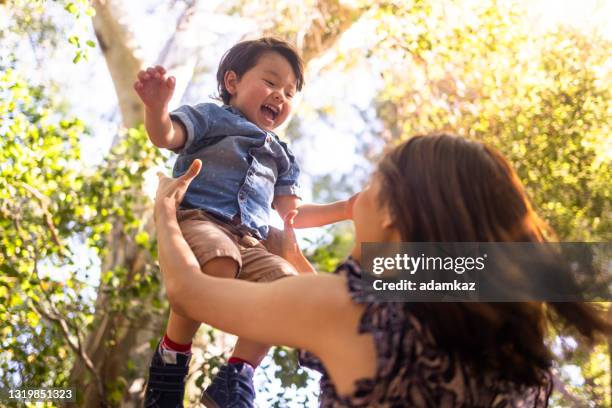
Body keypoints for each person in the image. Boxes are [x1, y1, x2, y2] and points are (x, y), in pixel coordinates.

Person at [154, 134, 611, 407]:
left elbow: (189, 290)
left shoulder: (351, 308)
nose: (357, 204)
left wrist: (166, 212)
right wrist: (296, 263)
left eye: (369, 188)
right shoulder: (517, 354)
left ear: (392, 212)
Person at [135, 37, 355, 407]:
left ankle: (237, 374)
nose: (280, 95)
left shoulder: (282, 156)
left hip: (250, 240)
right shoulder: (212, 116)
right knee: (219, 262)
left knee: (289, 290)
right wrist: (157, 108)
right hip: (200, 219)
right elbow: (167, 135)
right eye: (271, 82)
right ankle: (172, 356)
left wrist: (345, 208)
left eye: (289, 91)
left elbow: (292, 216)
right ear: (233, 83)